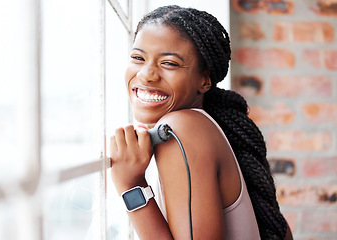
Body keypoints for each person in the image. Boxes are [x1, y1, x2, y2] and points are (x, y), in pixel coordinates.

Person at [109, 5, 293, 240]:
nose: (146, 74)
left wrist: (130, 185)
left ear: (204, 80)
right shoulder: (200, 125)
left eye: (169, 63)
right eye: (137, 58)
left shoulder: (182, 128)